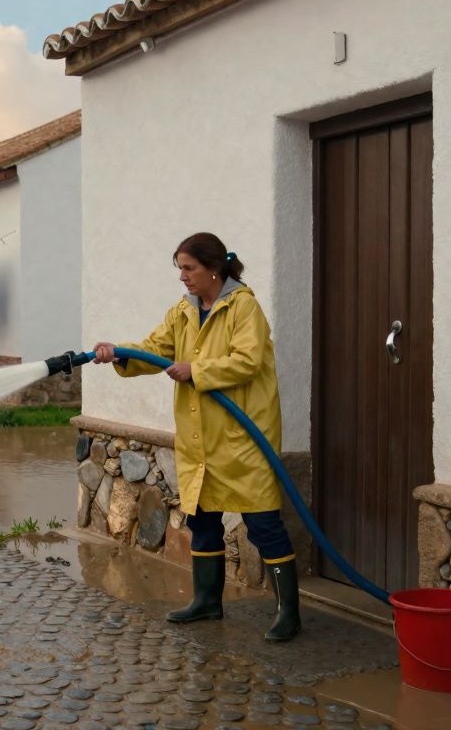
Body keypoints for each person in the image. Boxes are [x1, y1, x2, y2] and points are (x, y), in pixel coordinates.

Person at [92, 232, 300, 642]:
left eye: (189, 268)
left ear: (214, 268)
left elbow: (247, 360)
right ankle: (207, 601)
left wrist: (197, 371)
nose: (183, 277)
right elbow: (156, 347)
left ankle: (288, 613)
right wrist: (120, 353)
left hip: (243, 439)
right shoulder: (184, 311)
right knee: (203, 522)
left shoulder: (244, 308)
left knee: (263, 525)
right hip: (200, 440)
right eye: (180, 269)